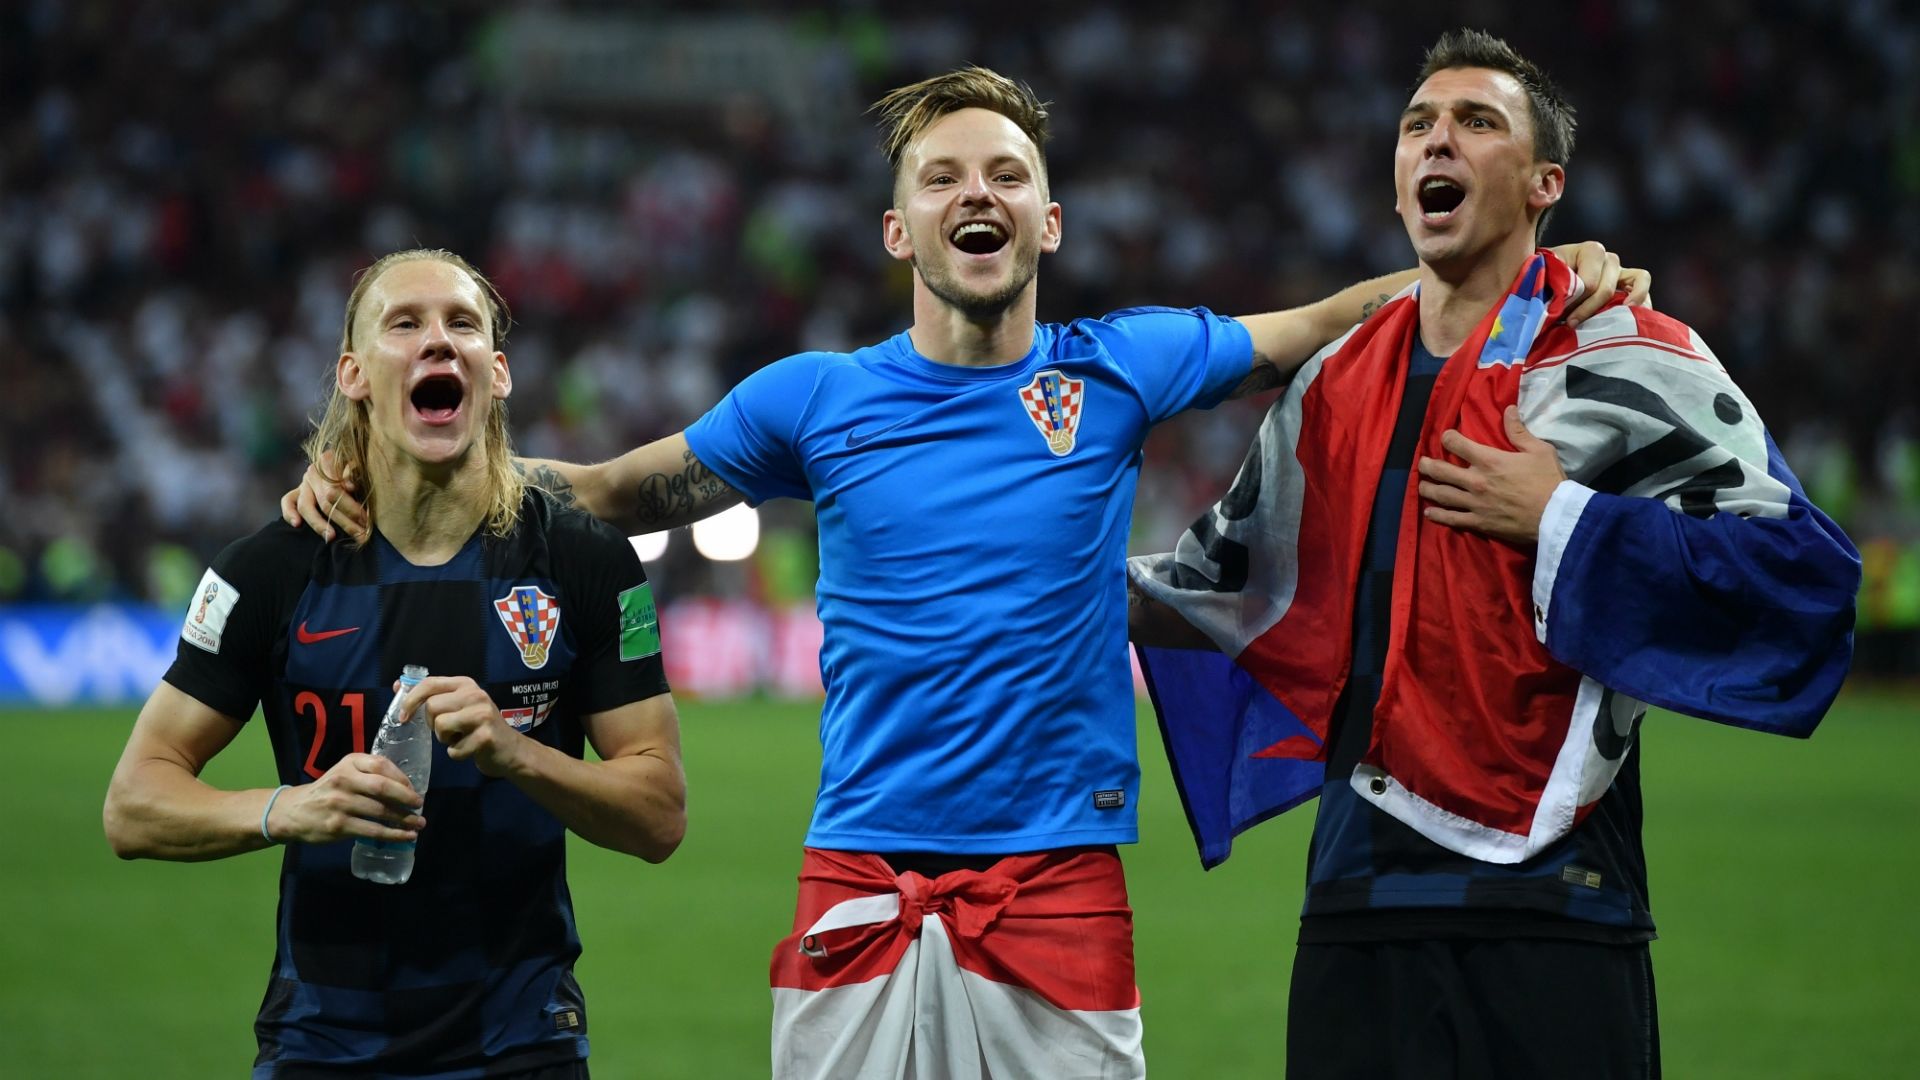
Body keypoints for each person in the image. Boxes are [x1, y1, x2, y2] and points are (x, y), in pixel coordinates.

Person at [288, 69, 1640, 1079]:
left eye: (1004, 175)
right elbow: (604, 491)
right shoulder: (814, 398)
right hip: (858, 882)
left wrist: (1528, 269)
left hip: (1059, 887)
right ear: (899, 230)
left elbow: (1326, 324)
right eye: (942, 178)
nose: (975, 195)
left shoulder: (1120, 367)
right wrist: (378, 468)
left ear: (1049, 223)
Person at [1127, 29, 1861, 1079]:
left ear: (1544, 183)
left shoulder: (1627, 353)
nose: (1439, 140)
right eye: (1418, 124)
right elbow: (1216, 586)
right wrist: (1019, 565)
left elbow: (1806, 580)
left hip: (1558, 903)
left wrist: (1563, 517)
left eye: (1478, 122)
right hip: (1356, 900)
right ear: (1396, 181)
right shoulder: (1333, 381)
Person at [105, 249, 687, 1080]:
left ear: (498, 373)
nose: (437, 341)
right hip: (322, 1042)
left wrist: (517, 752)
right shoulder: (272, 570)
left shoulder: (582, 562)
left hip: (523, 1044)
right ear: (354, 374)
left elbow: (659, 815)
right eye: (404, 323)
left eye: (462, 324)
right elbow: (133, 805)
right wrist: (290, 808)